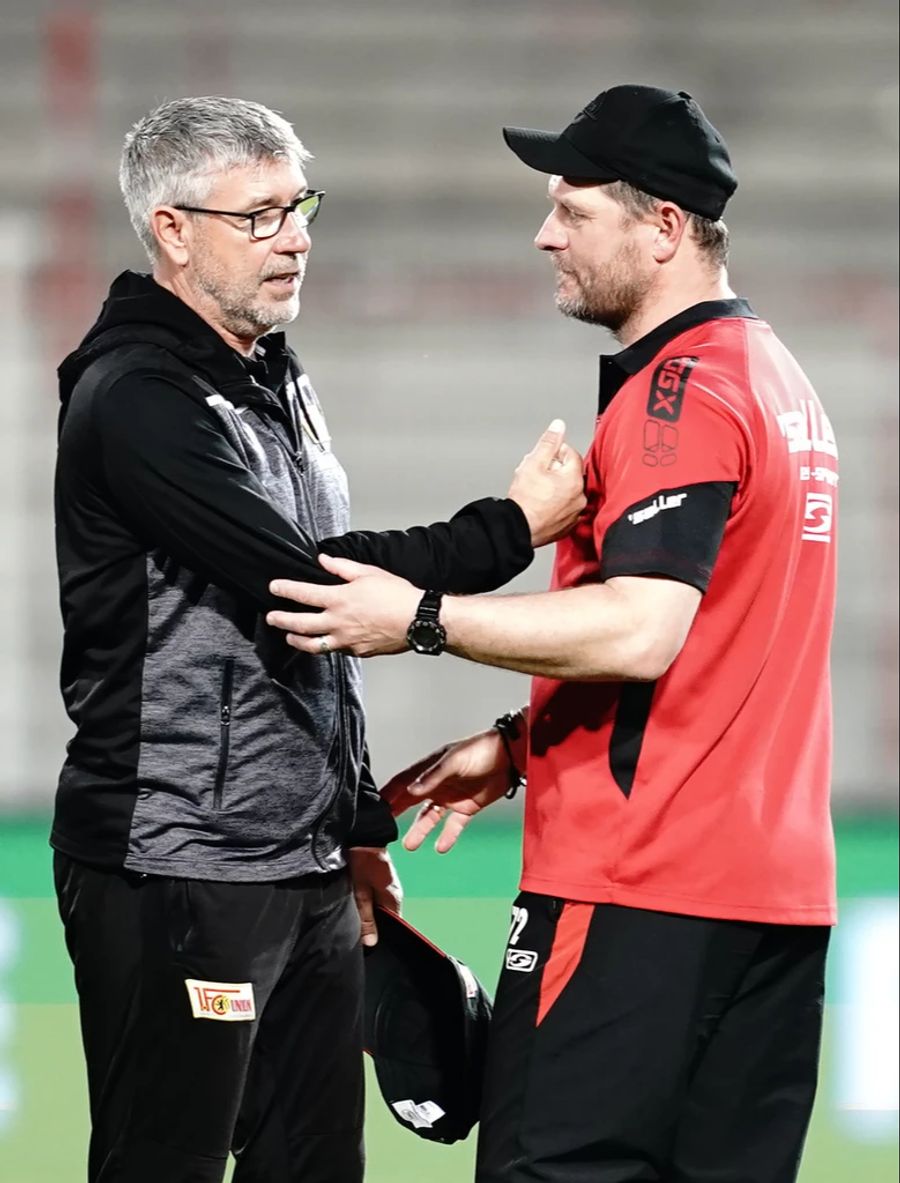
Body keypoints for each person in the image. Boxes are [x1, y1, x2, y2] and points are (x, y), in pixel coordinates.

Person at [265, 84, 840, 1183]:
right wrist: (523, 747)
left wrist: (421, 619)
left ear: (664, 226)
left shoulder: (682, 389)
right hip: (771, 907)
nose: (545, 233)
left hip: (638, 893)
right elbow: (733, 648)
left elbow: (643, 629)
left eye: (573, 210)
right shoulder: (777, 382)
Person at [51, 95, 586, 1183]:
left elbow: (302, 655)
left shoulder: (270, 374)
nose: (296, 234)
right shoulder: (135, 397)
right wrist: (510, 529)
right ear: (171, 229)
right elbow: (302, 584)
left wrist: (346, 829)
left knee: (316, 1166)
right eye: (260, 215)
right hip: (175, 865)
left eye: (299, 206)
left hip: (298, 869)